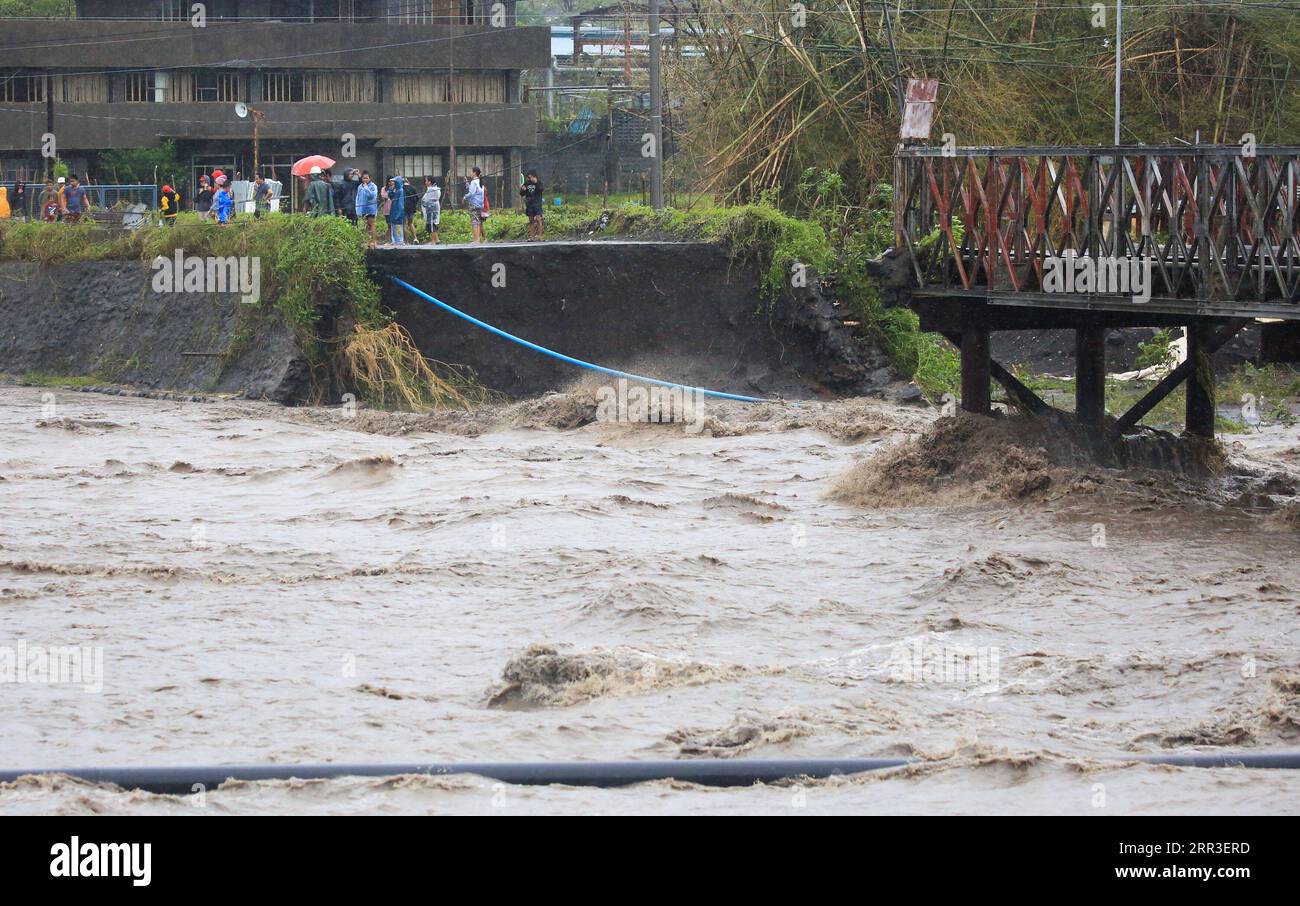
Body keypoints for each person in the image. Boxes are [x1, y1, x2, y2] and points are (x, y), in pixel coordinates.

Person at [355, 170, 379, 245]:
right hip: (362, 209)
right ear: (361, 178)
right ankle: (366, 241)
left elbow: (372, 195)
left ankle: (374, 241)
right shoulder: (359, 186)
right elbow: (358, 198)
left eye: (367, 178)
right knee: (365, 226)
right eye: (364, 178)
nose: (365, 180)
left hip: (371, 209)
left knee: (371, 224)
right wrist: (357, 208)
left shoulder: (373, 186)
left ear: (370, 178)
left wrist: (366, 188)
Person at [520, 169, 544, 241]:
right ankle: (532, 237)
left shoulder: (539, 183)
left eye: (531, 177)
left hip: (537, 203)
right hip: (529, 204)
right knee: (531, 220)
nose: (530, 179)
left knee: (539, 219)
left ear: (535, 176)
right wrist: (522, 190)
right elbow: (522, 194)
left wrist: (536, 183)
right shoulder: (527, 183)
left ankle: (540, 237)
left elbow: (541, 189)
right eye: (529, 177)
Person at [463, 166, 485, 244]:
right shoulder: (479, 181)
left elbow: (471, 193)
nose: (470, 173)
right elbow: (473, 190)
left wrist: (465, 197)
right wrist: (466, 183)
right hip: (479, 204)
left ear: (474, 172)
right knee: (478, 222)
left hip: (474, 204)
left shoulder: (474, 182)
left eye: (471, 172)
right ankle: (477, 240)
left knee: (474, 223)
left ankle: (476, 240)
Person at [385, 175, 407, 245]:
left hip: (398, 212)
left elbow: (400, 204)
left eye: (395, 182)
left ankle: (400, 241)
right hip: (393, 211)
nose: (393, 183)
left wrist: (399, 213)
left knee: (398, 227)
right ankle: (394, 241)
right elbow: (391, 197)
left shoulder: (401, 191)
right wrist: (390, 190)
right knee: (393, 227)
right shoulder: (396, 190)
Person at [420, 175, 441, 244]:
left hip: (432, 209)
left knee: (431, 225)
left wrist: (424, 203)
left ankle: (433, 241)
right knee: (432, 224)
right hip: (430, 209)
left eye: (426, 181)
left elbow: (428, 200)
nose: (425, 182)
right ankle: (437, 240)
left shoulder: (433, 189)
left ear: (429, 182)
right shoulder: (431, 189)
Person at [402, 176, 419, 244]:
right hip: (412, 208)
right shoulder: (413, 188)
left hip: (404, 208)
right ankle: (415, 238)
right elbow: (417, 198)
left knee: (405, 224)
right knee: (411, 223)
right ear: (408, 182)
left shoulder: (402, 189)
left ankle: (406, 241)